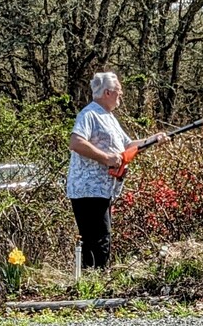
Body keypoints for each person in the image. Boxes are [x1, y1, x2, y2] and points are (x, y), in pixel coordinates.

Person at [66, 71, 169, 269]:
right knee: (98, 241)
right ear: (107, 92)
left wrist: (154, 139)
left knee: (101, 238)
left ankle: (94, 281)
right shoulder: (89, 114)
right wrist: (106, 158)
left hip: (103, 190)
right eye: (118, 91)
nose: (121, 95)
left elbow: (128, 145)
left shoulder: (109, 117)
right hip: (88, 190)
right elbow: (76, 142)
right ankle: (94, 285)